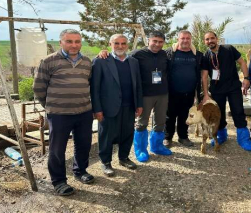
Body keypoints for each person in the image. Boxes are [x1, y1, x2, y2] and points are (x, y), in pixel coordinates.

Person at [33, 29, 94, 196]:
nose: (74, 45)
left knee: (83, 144)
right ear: (61, 42)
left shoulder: (87, 62)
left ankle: (80, 171)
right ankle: (59, 181)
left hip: (84, 112)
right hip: (59, 114)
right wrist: (52, 105)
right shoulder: (48, 61)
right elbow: (39, 88)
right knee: (57, 148)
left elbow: (88, 83)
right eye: (69, 41)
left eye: (77, 41)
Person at [91, 34, 143, 176]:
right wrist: (97, 109)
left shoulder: (133, 61)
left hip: (129, 105)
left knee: (127, 133)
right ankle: (106, 162)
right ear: (110, 44)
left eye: (123, 43)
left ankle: (124, 158)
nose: (120, 46)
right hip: (108, 107)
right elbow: (94, 88)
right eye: (116, 43)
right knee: (106, 135)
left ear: (127, 44)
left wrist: (139, 104)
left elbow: (137, 84)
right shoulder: (101, 61)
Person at [201, 31, 251, 151]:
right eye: (207, 39)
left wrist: (246, 78)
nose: (210, 41)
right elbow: (204, 76)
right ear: (205, 42)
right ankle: (221, 135)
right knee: (218, 114)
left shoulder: (229, 49)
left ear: (217, 39)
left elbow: (242, 62)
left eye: (212, 38)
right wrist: (205, 94)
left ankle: (243, 139)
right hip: (216, 90)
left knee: (238, 111)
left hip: (233, 88)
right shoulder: (205, 56)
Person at [131, 32, 172, 161]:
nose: (157, 44)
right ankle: (141, 150)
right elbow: (120, 60)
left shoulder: (164, 54)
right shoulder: (137, 54)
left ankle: (157, 146)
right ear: (148, 40)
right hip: (145, 95)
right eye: (154, 41)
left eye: (160, 42)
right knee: (142, 122)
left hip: (162, 94)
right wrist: (103, 53)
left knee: (160, 121)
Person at [164, 30, 203, 147]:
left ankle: (183, 137)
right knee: (169, 116)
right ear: (178, 39)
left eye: (188, 38)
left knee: (184, 115)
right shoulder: (169, 53)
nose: (185, 40)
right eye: (183, 38)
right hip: (171, 92)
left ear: (191, 40)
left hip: (189, 92)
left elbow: (204, 73)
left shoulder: (198, 55)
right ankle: (167, 137)